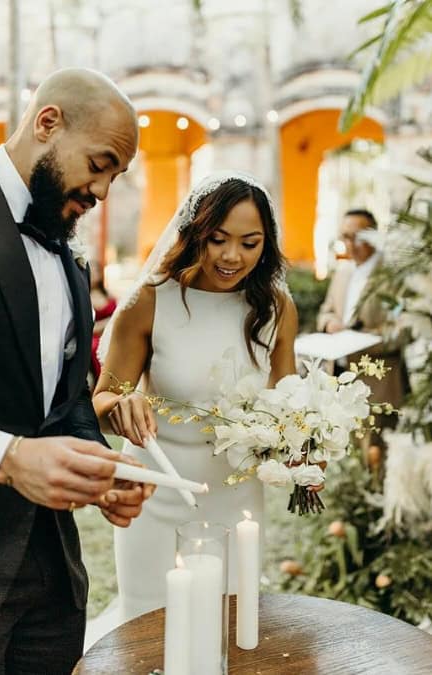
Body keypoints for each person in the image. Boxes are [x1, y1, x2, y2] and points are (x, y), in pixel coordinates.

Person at [93, 171, 322, 621]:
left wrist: (305, 449)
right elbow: (100, 402)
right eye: (218, 239)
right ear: (195, 232)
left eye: (250, 243)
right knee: (151, 631)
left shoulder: (275, 308)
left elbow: (286, 405)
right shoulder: (150, 301)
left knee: (230, 629)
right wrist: (120, 405)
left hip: (236, 501)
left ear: (266, 244)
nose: (232, 256)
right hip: (156, 493)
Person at [0, 68, 148, 675]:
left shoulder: (65, 247)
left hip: (53, 580)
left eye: (115, 176)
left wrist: (98, 462)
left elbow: (68, 398)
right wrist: (5, 458)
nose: (103, 190)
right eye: (99, 164)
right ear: (48, 122)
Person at [317, 208, 407, 439]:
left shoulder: (393, 276)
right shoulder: (343, 271)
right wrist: (329, 324)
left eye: (358, 236)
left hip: (378, 384)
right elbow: (325, 311)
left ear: (374, 236)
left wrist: (361, 340)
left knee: (376, 460)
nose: (350, 243)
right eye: (345, 236)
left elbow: (404, 330)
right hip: (338, 377)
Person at [90, 260, 117, 381]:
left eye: (97, 271)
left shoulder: (109, 295)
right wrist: (106, 323)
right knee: (95, 347)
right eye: (91, 271)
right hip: (94, 338)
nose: (94, 274)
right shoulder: (85, 297)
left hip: (112, 336)